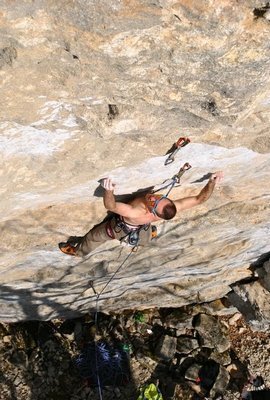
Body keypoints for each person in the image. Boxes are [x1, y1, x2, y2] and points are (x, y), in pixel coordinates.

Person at [59, 171, 224, 256]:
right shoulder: (172, 207)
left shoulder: (136, 211)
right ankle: (148, 233)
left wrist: (108, 190)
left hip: (121, 227)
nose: (154, 197)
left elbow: (111, 205)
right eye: (160, 198)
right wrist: (211, 182)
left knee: (93, 238)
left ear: (152, 210)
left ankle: (78, 252)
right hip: (143, 226)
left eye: (154, 202)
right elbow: (199, 199)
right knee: (146, 233)